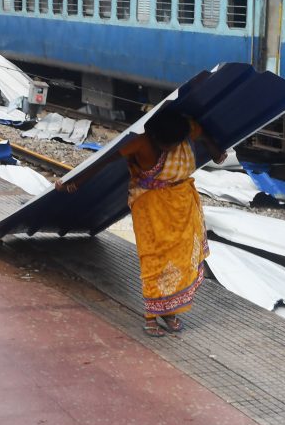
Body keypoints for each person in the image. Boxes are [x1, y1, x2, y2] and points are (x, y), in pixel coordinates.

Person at [57, 114, 225, 337]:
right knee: (154, 259)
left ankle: (169, 311)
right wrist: (74, 181)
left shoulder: (184, 128)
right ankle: (151, 316)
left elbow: (204, 137)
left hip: (183, 204)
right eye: (168, 145)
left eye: (177, 144)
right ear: (154, 136)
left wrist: (217, 152)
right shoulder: (140, 142)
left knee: (180, 259)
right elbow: (106, 159)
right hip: (150, 207)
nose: (173, 148)